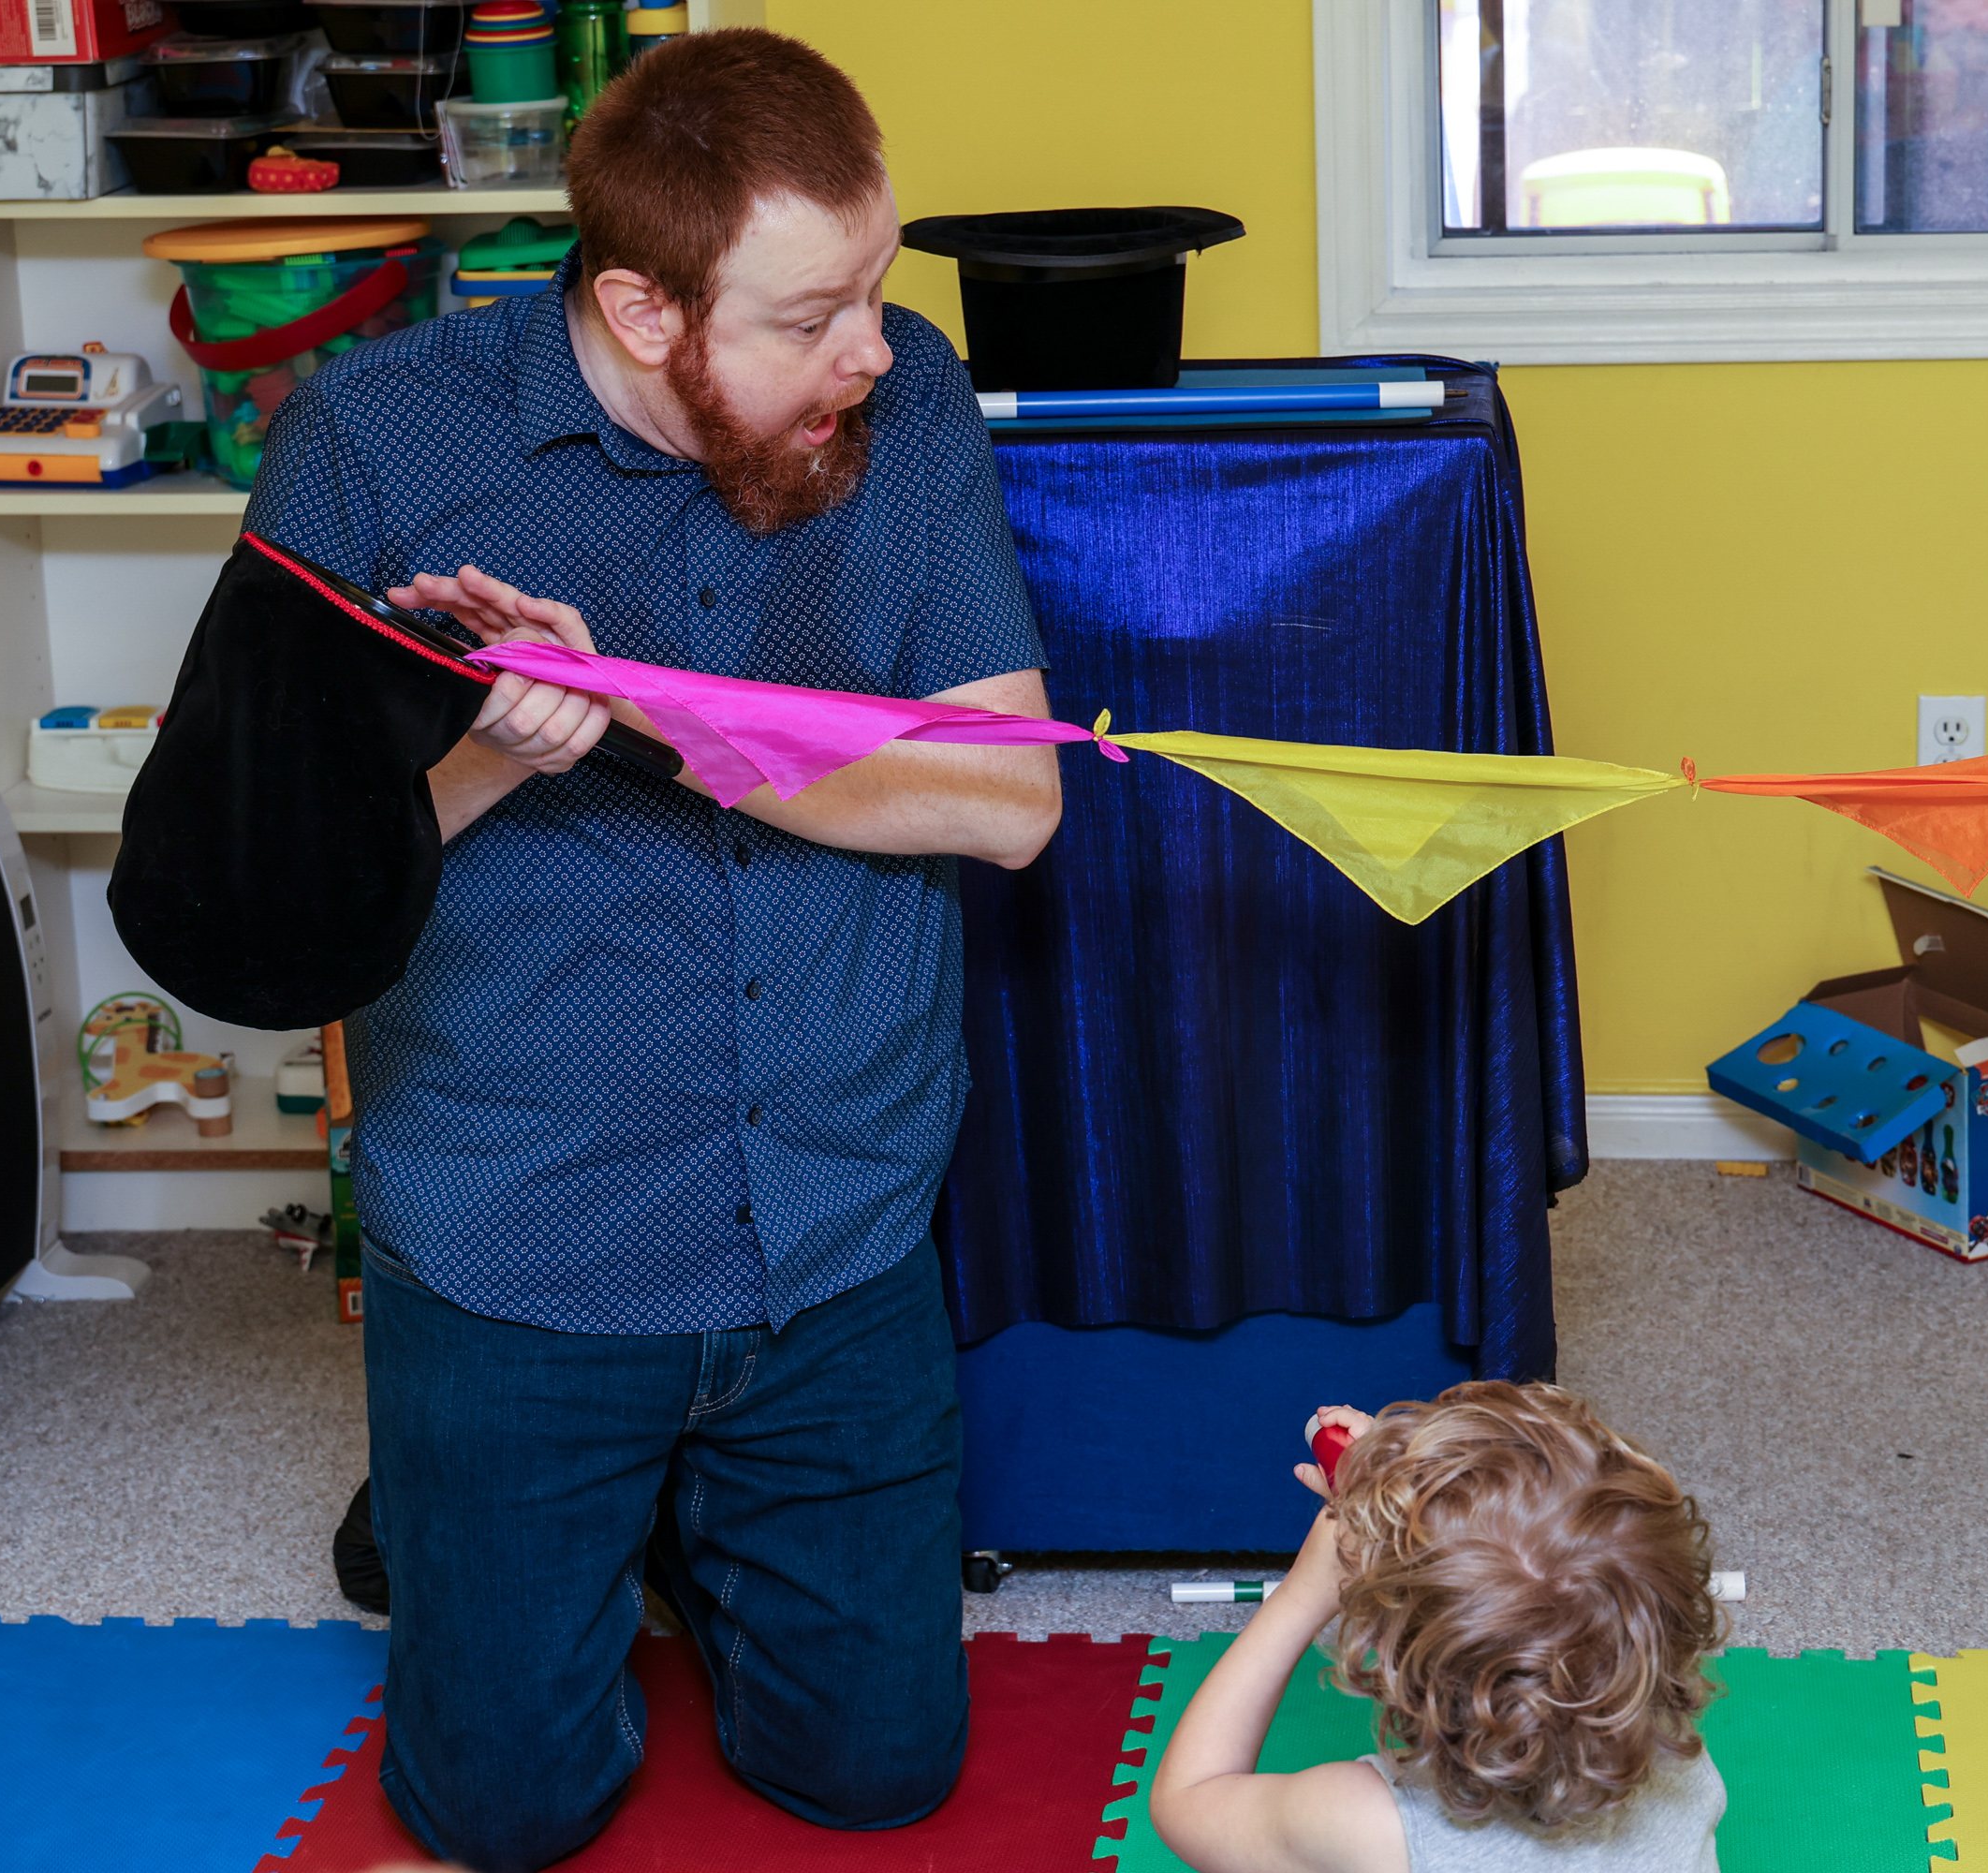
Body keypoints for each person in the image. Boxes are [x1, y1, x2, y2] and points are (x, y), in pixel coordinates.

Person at [240, 30, 1060, 1873]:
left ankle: (656, 1517)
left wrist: (650, 714)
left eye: (876, 285)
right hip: (524, 1239)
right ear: (641, 306)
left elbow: (1008, 801)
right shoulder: (370, 441)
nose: (872, 348)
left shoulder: (907, 396)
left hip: (833, 1224)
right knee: (502, 1819)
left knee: (877, 1778)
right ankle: (468, 1493)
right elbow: (283, 893)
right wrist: (487, 747)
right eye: (811, 316)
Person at [1149, 1383, 1728, 1873]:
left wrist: (1305, 1593)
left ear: (1387, 1648)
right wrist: (1407, 1500)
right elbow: (1551, 1562)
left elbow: (1189, 1798)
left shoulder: (1369, 1825)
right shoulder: (1673, 1752)